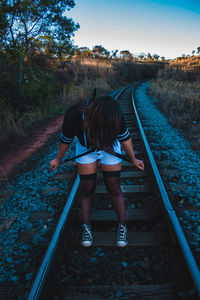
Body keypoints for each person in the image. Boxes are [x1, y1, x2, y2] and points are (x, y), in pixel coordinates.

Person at [50, 95, 144, 248]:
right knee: (87, 189)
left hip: (109, 147)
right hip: (86, 149)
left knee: (114, 188)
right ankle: (86, 227)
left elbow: (125, 139)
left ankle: (122, 226)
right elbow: (65, 141)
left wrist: (133, 159)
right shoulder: (74, 115)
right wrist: (58, 159)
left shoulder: (115, 114)